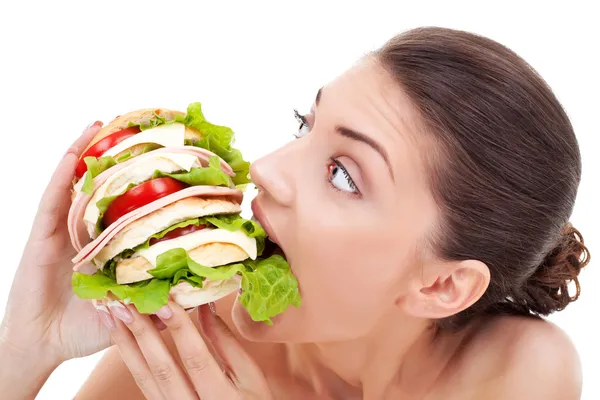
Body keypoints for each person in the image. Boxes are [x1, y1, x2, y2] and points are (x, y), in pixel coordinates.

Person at [0, 26, 591, 399]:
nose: (265, 170)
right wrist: (25, 350)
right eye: (304, 125)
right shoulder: (202, 338)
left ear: (441, 283)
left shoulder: (517, 371)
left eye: (343, 174)